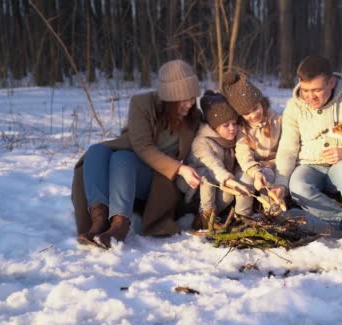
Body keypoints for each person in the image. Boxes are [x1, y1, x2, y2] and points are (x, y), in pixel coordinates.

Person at [72, 60, 202, 249]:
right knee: (96, 151)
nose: (189, 104)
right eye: (183, 99)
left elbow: (213, 132)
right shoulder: (142, 104)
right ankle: (98, 221)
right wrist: (181, 168)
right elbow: (143, 147)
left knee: (122, 158)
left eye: (192, 97)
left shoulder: (194, 118)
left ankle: (119, 226)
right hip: (128, 166)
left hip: (157, 179)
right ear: (168, 97)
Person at [273, 55, 342, 256]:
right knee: (297, 186)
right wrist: (281, 181)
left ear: (331, 82)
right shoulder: (294, 106)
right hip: (309, 165)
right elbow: (288, 147)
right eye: (305, 90)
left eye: (317, 90)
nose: (310, 96)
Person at [188, 91, 252, 229]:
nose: (232, 129)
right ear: (213, 126)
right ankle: (205, 217)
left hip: (221, 183)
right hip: (196, 194)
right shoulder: (201, 142)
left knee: (234, 188)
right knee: (207, 175)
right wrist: (229, 180)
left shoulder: (234, 138)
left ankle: (235, 217)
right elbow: (213, 166)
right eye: (226, 125)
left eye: (234, 123)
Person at [221, 71, 282, 216]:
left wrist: (271, 164)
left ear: (261, 102)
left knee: (267, 178)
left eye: (255, 108)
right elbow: (243, 153)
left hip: (273, 166)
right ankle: (242, 216)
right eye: (247, 113)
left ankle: (273, 214)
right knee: (245, 182)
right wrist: (255, 170)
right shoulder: (242, 128)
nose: (253, 115)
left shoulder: (277, 120)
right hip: (248, 167)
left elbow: (287, 149)